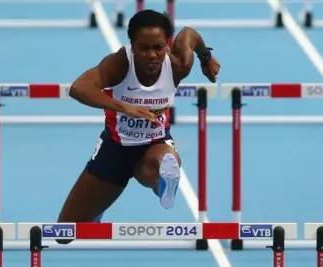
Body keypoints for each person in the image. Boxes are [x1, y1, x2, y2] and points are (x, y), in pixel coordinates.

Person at [58, 9, 220, 222]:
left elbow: (188, 34)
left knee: (161, 164)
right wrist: (124, 107)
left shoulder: (178, 64)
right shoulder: (120, 63)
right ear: (132, 47)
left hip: (154, 144)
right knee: (65, 231)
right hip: (115, 149)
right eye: (143, 48)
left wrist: (205, 57)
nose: (152, 55)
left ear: (167, 45)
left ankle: (163, 179)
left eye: (158, 47)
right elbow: (79, 88)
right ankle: (97, 210)